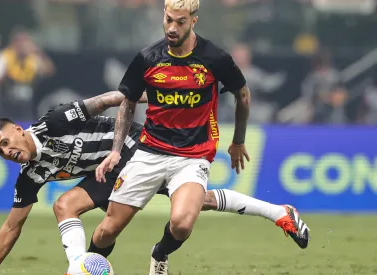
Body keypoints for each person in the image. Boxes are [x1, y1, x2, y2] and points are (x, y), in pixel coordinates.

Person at [0, 92, 310, 275]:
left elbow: (107, 100)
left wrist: (142, 92)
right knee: (65, 205)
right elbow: (11, 227)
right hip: (107, 172)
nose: (8, 152)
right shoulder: (30, 176)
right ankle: (81, 268)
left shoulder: (53, 122)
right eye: (1, 151)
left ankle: (278, 212)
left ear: (19, 130)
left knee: (195, 203)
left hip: (137, 149)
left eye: (7, 142)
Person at [92, 1, 309, 274]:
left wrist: (238, 141)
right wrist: (115, 150)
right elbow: (128, 102)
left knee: (182, 223)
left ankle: (160, 253)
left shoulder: (214, 58)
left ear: (193, 21)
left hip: (192, 156)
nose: (172, 28)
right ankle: (85, 266)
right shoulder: (147, 57)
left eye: (180, 22)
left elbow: (243, 95)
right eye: (168, 19)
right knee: (107, 231)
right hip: (149, 152)